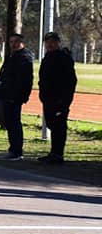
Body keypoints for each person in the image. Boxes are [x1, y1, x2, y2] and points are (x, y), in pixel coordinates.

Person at [37, 32, 77, 164]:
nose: (50, 44)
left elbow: (71, 81)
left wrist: (64, 100)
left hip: (59, 99)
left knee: (59, 126)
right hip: (48, 99)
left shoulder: (63, 58)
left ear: (58, 42)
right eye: (47, 42)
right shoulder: (47, 57)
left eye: (53, 41)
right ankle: (53, 152)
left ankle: (58, 154)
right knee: (52, 124)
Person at [0, 33, 34, 161]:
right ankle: (13, 149)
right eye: (11, 42)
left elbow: (25, 80)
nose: (13, 44)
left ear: (22, 43)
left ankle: (17, 151)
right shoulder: (12, 56)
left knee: (14, 122)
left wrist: (19, 95)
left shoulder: (24, 57)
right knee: (9, 122)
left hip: (15, 96)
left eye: (16, 41)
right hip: (6, 95)